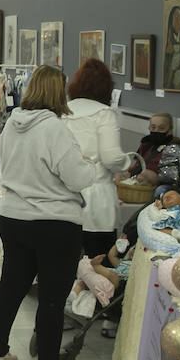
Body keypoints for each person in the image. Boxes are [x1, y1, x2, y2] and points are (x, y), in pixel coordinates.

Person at [0, 66, 103, 360]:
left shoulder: (12, 123)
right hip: (54, 222)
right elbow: (77, 178)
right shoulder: (55, 129)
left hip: (13, 216)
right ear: (59, 91)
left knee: (10, 286)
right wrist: (89, 165)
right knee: (52, 298)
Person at [64, 59, 127, 260]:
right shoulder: (104, 114)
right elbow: (111, 157)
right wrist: (127, 163)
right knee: (99, 261)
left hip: (64, 196)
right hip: (96, 198)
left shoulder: (63, 111)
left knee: (67, 261)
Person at [127, 113, 180, 185]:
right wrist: (127, 172)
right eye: (153, 127)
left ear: (170, 129)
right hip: (139, 178)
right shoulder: (146, 144)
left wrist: (148, 175)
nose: (156, 130)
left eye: (161, 128)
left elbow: (169, 176)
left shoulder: (173, 147)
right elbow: (138, 165)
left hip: (158, 183)